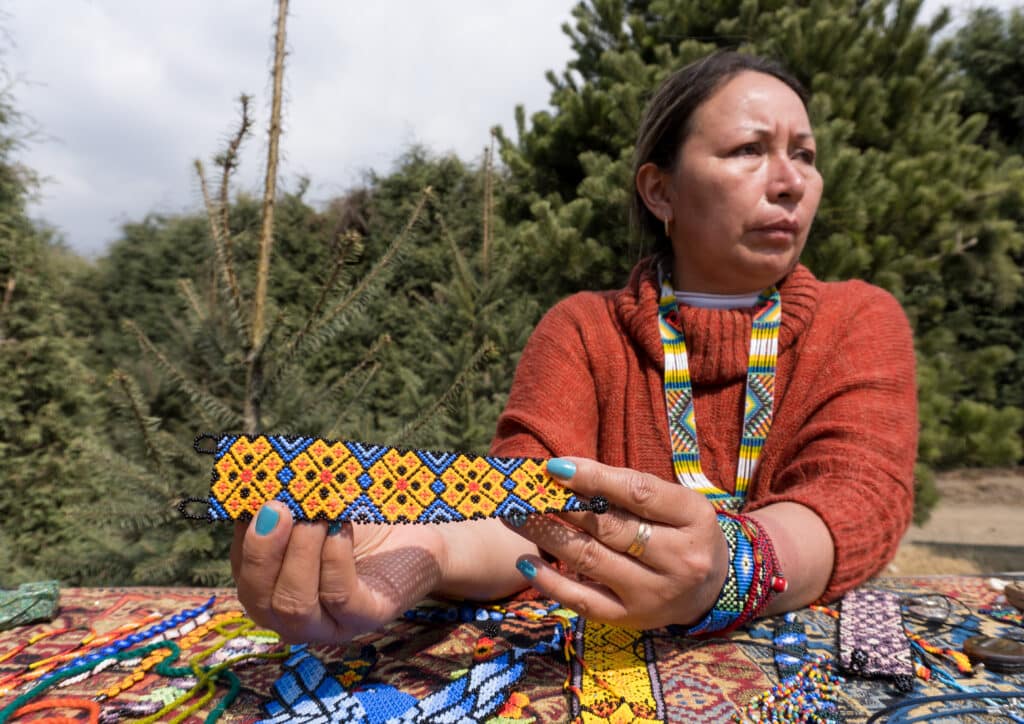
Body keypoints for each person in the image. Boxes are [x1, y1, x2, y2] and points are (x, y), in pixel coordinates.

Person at [230, 51, 917, 644]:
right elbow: (524, 512)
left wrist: (734, 566)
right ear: (661, 190)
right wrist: (429, 548)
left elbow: (857, 498)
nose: (791, 179)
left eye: (804, 154)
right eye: (749, 150)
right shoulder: (586, 331)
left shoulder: (856, 320)